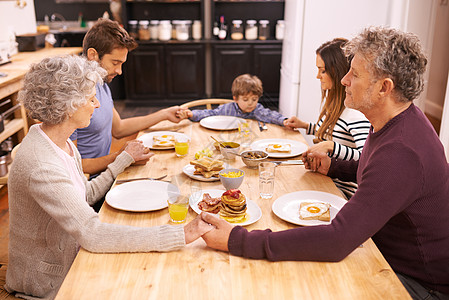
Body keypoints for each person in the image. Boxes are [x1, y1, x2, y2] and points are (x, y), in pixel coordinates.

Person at [199, 27, 449, 300]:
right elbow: (380, 177)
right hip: (384, 253)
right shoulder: (398, 122)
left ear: (384, 87)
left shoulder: (401, 151)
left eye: (355, 73)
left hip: (418, 284)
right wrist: (334, 167)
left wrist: (237, 239)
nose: (344, 80)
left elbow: (337, 240)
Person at [5, 55, 212, 299]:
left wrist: (124, 160)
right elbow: (92, 234)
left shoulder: (61, 142)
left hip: (75, 252)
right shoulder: (42, 165)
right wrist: (181, 234)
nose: (98, 105)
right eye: (91, 99)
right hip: (48, 281)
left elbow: (85, 194)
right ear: (68, 104)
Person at [71, 18, 186, 177]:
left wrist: (164, 114)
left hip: (106, 175)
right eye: (115, 62)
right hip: (89, 186)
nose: (119, 71)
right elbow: (73, 166)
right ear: (93, 55)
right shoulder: (72, 96)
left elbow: (118, 129)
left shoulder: (100, 82)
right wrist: (121, 157)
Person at [284, 38, 371, 198]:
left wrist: (331, 146)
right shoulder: (334, 105)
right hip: (327, 181)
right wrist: (305, 126)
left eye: (322, 70)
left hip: (342, 192)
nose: (318, 76)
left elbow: (366, 157)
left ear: (337, 71)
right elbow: (335, 132)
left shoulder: (355, 114)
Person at [178, 74, 288, 126]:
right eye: (245, 100)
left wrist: (284, 120)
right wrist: (191, 114)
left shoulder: (257, 110)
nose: (250, 103)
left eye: (254, 99)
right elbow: (209, 113)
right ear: (235, 98)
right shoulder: (227, 109)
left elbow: (270, 115)